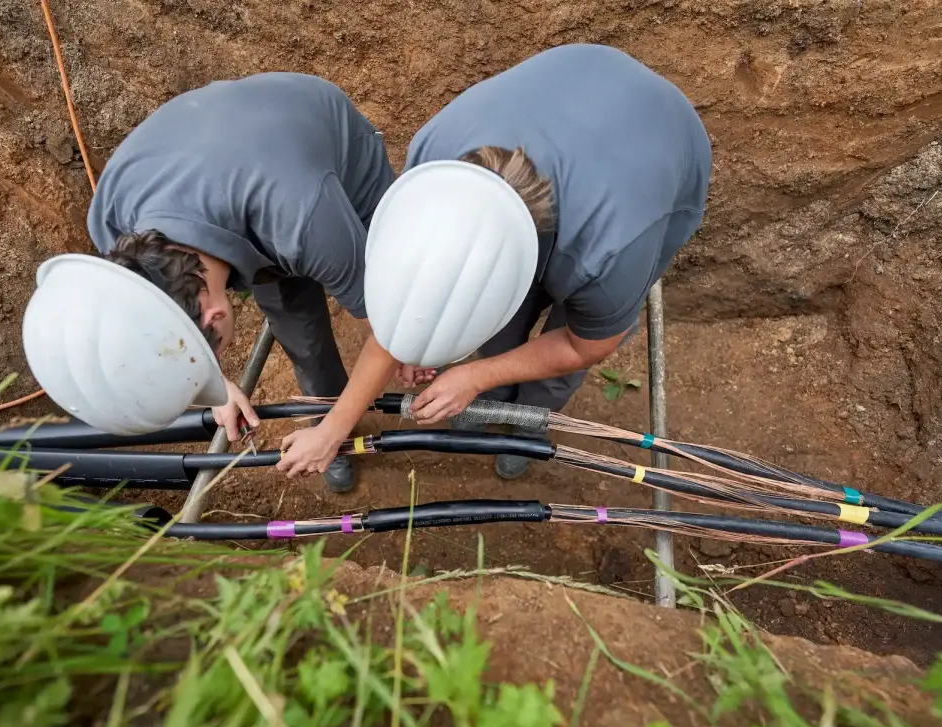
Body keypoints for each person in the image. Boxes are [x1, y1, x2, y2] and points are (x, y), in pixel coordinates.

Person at [291, 43, 712, 480]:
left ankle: (529, 425)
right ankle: (496, 398)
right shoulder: (433, 161)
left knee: (561, 351)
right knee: (500, 335)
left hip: (657, 141)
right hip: (577, 74)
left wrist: (474, 376)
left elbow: (585, 345)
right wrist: (412, 342)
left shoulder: (609, 251)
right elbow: (417, 286)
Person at [80, 72, 399, 493]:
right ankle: (327, 410)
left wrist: (396, 338)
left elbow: (391, 332)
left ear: (214, 314)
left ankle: (502, 394)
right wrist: (217, 389)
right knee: (299, 329)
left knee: (396, 291)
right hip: (239, 157)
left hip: (323, 138)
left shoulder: (302, 219)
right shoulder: (113, 224)